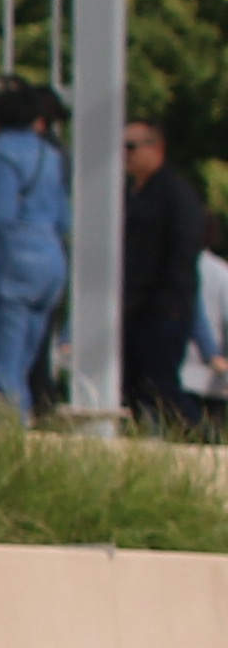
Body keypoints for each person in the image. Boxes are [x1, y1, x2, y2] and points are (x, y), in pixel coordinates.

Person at [0, 83, 71, 419]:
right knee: (22, 360)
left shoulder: (1, 153)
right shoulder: (50, 155)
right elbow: (64, 217)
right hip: (49, 263)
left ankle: (4, 436)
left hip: (7, 263)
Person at [126, 118, 212, 427]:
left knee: (159, 384)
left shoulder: (176, 195)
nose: (126, 154)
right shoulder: (131, 194)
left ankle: (201, 437)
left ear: (156, 148)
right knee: (133, 384)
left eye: (131, 147)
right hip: (136, 306)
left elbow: (183, 253)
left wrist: (170, 303)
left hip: (163, 307)